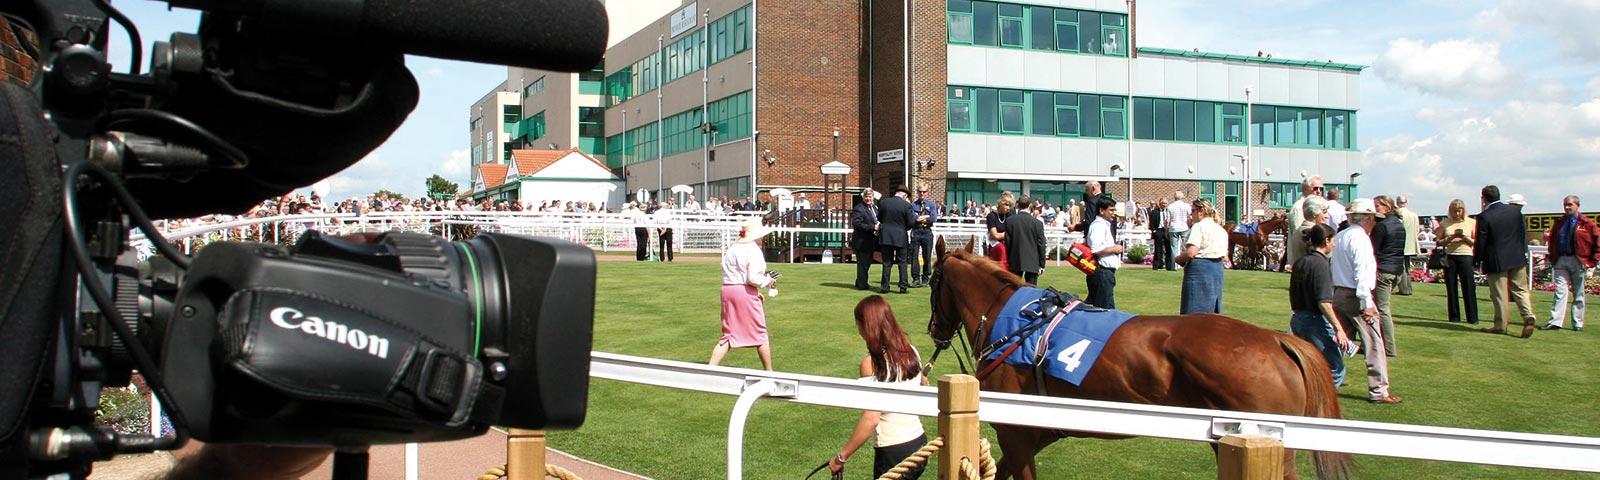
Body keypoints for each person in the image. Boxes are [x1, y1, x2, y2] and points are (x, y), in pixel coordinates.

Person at [825, 296, 928, 479]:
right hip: (919, 443)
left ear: (867, 326)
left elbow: (871, 418)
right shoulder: (911, 351)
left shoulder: (871, 363)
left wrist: (841, 457)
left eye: (858, 325)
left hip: (894, 452)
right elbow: (922, 383)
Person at [1330, 199, 1401, 404]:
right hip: (1356, 296)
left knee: (1338, 341)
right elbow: (1362, 273)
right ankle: (1379, 391)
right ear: (1368, 218)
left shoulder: (1341, 236)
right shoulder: (1360, 239)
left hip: (1339, 293)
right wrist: (1367, 303)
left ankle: (1324, 379)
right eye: (1374, 219)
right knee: (1374, 344)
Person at [1289, 223, 1354, 387]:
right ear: (1326, 240)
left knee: (1308, 366)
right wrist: (1339, 329)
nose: (1335, 244)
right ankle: (1319, 406)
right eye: (1333, 240)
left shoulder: (1301, 262)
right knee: (1335, 368)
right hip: (1314, 321)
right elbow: (1323, 302)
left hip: (1297, 318)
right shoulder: (1321, 265)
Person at [709, 219, 778, 370]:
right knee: (760, 332)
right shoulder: (753, 250)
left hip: (728, 290)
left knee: (729, 333)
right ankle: (769, 372)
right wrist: (768, 280)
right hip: (742, 291)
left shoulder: (732, 248)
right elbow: (752, 278)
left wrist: (756, 292)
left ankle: (710, 368)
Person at [1474, 185, 1536, 338]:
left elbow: (1481, 242)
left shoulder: (1485, 216)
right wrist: (1523, 253)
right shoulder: (1515, 212)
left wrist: (1476, 261)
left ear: (1483, 198)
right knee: (1520, 289)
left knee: (1500, 294)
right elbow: (1523, 236)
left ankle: (1500, 325)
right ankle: (1528, 315)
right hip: (1517, 257)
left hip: (1496, 259)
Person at [1541, 195, 1599, 331]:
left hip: (1579, 260)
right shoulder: (1559, 222)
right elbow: (1553, 240)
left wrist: (1592, 261)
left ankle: (1578, 323)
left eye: (1570, 205)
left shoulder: (1587, 223)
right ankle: (1555, 321)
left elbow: (1597, 242)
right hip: (1561, 259)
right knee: (1560, 291)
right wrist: (1552, 256)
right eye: (1565, 205)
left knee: (1579, 293)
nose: (1567, 207)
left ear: (1577, 205)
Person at [1176, 198, 1229, 314]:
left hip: (1200, 270)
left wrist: (1178, 258)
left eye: (1193, 210)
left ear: (1201, 211)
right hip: (1217, 270)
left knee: (1194, 311)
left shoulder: (1199, 226)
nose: (1191, 214)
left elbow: (1191, 252)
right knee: (1212, 311)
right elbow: (1225, 256)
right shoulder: (1221, 230)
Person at [1369, 196, 1405, 357]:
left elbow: (1373, 249)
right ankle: (1380, 343)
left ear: (1387, 207)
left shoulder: (1381, 226)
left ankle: (1389, 347)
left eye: (1377, 206)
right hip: (1397, 269)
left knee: (1382, 309)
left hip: (1384, 269)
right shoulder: (1399, 224)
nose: (1375, 208)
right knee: (1382, 308)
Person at [1435, 199, 1479, 324]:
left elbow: (1476, 241)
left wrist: (1464, 238)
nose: (1457, 214)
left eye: (1459, 211)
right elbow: (1438, 241)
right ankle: (1454, 316)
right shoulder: (1445, 223)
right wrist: (1451, 238)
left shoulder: (1471, 222)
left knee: (1469, 287)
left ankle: (1472, 317)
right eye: (1454, 211)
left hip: (1466, 255)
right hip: (1450, 256)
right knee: (1451, 287)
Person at [1085, 196, 1123, 309]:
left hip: (1105, 273)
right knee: (1105, 310)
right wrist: (1115, 249)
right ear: (1101, 210)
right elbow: (1096, 249)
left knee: (1102, 308)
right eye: (1111, 210)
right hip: (1101, 272)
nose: (1114, 213)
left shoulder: (1104, 225)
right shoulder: (1098, 226)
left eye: (1114, 210)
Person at [878, 188, 916, 294]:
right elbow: (911, 222)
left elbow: (879, 218)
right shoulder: (906, 205)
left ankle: (885, 287)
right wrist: (903, 228)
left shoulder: (884, 202)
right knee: (902, 262)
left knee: (886, 263)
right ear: (904, 196)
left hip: (886, 236)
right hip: (900, 236)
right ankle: (903, 287)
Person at [1285, 175, 1326, 270]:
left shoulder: (1316, 205)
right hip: (1303, 260)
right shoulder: (1300, 207)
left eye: (1321, 188)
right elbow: (1300, 236)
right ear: (1305, 189)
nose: (1319, 191)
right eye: (1315, 188)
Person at [1005, 195, 1047, 284]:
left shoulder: (1010, 221)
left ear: (1018, 205)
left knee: (1014, 290)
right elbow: (1041, 244)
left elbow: (1008, 243)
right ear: (1030, 205)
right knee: (1031, 292)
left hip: (1015, 260)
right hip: (1032, 261)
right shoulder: (1037, 223)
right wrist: (1042, 264)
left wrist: (1009, 260)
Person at [909, 185, 940, 287]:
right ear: (917, 192)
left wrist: (921, 217)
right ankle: (916, 278)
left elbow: (933, 218)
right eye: (920, 192)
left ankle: (926, 278)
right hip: (916, 232)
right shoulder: (913, 205)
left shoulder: (931, 204)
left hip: (927, 232)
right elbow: (913, 219)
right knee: (914, 256)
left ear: (927, 192)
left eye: (924, 192)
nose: (922, 193)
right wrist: (925, 216)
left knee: (927, 256)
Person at [851, 190, 881, 290]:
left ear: (873, 197)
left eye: (870, 197)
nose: (868, 199)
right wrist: (873, 227)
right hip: (861, 241)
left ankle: (860, 281)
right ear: (863, 197)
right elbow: (857, 224)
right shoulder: (859, 209)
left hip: (871, 241)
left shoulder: (874, 208)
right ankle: (862, 285)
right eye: (866, 197)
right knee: (863, 264)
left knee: (866, 263)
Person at [1395, 195, 1421, 296]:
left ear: (1397, 202)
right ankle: (1408, 288)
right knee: (1407, 267)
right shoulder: (1414, 215)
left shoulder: (1398, 214)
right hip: (1410, 244)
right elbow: (1417, 230)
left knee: (1402, 268)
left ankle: (1404, 289)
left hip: (1400, 244)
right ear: (1406, 202)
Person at [986, 192, 1014, 271]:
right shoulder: (992, 216)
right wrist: (1009, 234)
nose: (1008, 208)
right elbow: (995, 235)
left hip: (1008, 244)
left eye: (1010, 206)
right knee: (1001, 248)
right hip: (996, 246)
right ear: (1000, 204)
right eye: (1006, 205)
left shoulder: (1010, 215)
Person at [1164, 191, 1192, 272]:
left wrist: (1166, 229)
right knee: (1185, 247)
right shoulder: (1186, 206)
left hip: (1173, 228)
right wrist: (1190, 226)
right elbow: (1190, 218)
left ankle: (1174, 266)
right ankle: (1186, 264)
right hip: (1184, 227)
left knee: (1174, 248)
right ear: (1182, 197)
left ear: (1174, 197)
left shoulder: (1170, 206)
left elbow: (1167, 220)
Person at [1148, 197, 1170, 270]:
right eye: (1163, 203)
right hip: (1159, 230)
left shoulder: (1169, 211)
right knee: (1158, 248)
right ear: (1160, 203)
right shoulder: (1154, 211)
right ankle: (1157, 265)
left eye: (1165, 203)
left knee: (1168, 248)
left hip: (1167, 230)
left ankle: (1169, 265)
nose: (1164, 205)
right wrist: (1154, 230)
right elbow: (1151, 223)